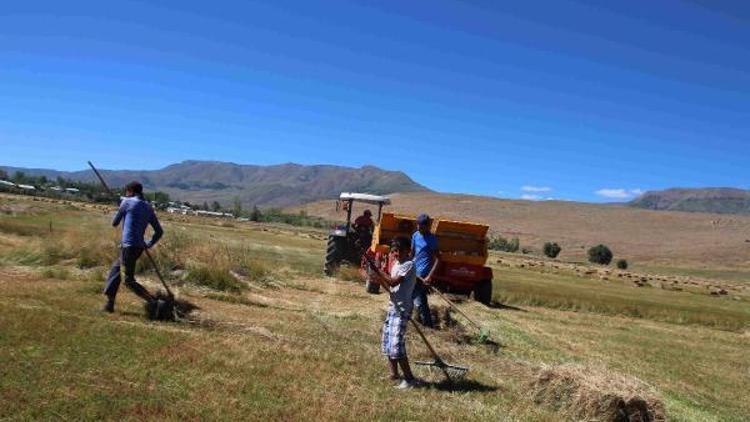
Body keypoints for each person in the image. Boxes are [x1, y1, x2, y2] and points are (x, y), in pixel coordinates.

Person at [102, 181, 164, 313]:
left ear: (130, 191)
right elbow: (159, 231)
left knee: (127, 280)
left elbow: (114, 223)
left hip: (129, 246)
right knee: (115, 271)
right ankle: (109, 304)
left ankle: (154, 302)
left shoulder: (127, 203)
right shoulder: (148, 207)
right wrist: (148, 243)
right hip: (138, 247)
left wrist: (121, 208)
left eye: (126, 192)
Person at [372, 236, 418, 390]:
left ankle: (410, 379)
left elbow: (393, 282)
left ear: (408, 251)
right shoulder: (396, 264)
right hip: (393, 307)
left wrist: (379, 271)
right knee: (388, 342)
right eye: (393, 251)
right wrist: (379, 279)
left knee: (396, 345)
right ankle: (394, 375)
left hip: (402, 309)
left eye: (399, 250)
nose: (395, 254)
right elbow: (390, 285)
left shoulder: (409, 265)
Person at [411, 213, 439, 328]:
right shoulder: (415, 235)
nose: (419, 228)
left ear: (428, 226)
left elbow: (438, 259)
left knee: (420, 298)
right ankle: (424, 323)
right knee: (416, 297)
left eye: (421, 226)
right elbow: (412, 253)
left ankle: (427, 324)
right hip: (414, 272)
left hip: (423, 274)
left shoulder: (432, 239)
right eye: (418, 225)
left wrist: (429, 276)